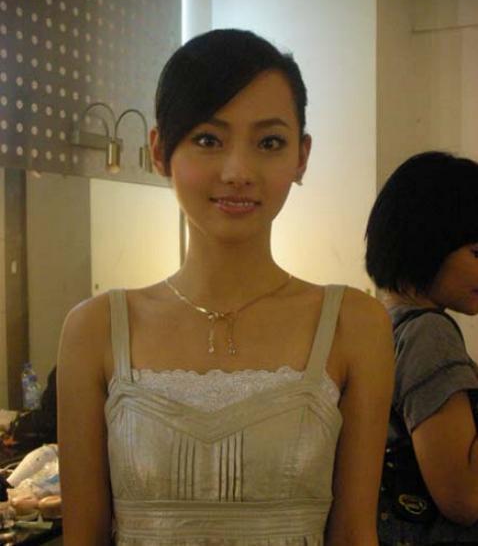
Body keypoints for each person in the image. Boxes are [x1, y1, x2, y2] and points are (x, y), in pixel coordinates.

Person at [58, 28, 394, 546]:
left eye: (269, 142)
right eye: (208, 140)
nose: (238, 171)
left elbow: (353, 533)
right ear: (159, 150)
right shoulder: (94, 329)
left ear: (301, 156)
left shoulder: (354, 324)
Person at [365, 151, 478, 545]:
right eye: (477, 253)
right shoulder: (429, 333)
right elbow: (465, 498)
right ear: (426, 243)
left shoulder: (378, 324)